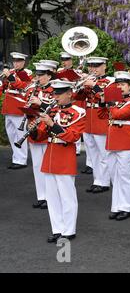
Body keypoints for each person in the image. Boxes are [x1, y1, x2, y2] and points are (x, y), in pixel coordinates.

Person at [29, 79, 86, 243]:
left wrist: (52, 124)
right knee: (52, 197)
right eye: (54, 93)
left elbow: (73, 136)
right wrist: (32, 130)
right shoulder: (51, 111)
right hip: (50, 156)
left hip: (65, 156)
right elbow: (41, 135)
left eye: (59, 94)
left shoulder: (78, 112)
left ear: (69, 93)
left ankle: (68, 230)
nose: (56, 96)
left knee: (67, 196)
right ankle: (57, 229)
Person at [98, 71, 130, 221]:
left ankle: (126, 207)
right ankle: (116, 206)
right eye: (118, 85)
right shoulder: (115, 101)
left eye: (123, 85)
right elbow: (102, 115)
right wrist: (103, 102)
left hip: (126, 143)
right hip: (112, 142)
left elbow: (118, 115)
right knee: (114, 175)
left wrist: (109, 103)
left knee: (125, 176)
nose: (120, 87)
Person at [74, 57, 112, 193]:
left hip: (101, 120)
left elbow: (110, 99)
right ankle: (97, 180)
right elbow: (77, 97)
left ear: (104, 66)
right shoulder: (88, 80)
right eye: (90, 65)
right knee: (92, 153)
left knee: (103, 154)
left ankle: (105, 181)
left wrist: (94, 86)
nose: (92, 68)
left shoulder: (111, 81)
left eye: (96, 65)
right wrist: (81, 86)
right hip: (88, 121)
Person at [26, 62, 55, 210]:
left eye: (41, 75)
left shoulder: (55, 89)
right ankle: (41, 196)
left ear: (49, 75)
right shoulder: (33, 89)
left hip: (47, 130)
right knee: (37, 166)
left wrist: (40, 102)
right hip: (34, 129)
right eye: (37, 75)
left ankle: (51, 197)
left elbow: (54, 109)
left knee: (47, 166)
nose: (38, 78)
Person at [1, 52, 32, 169]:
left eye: (18, 61)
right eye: (14, 61)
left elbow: (23, 85)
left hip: (19, 108)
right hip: (8, 108)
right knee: (11, 134)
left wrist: (9, 76)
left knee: (20, 135)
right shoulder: (12, 73)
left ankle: (21, 160)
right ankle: (16, 157)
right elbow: (5, 87)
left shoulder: (27, 73)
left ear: (23, 62)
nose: (16, 63)